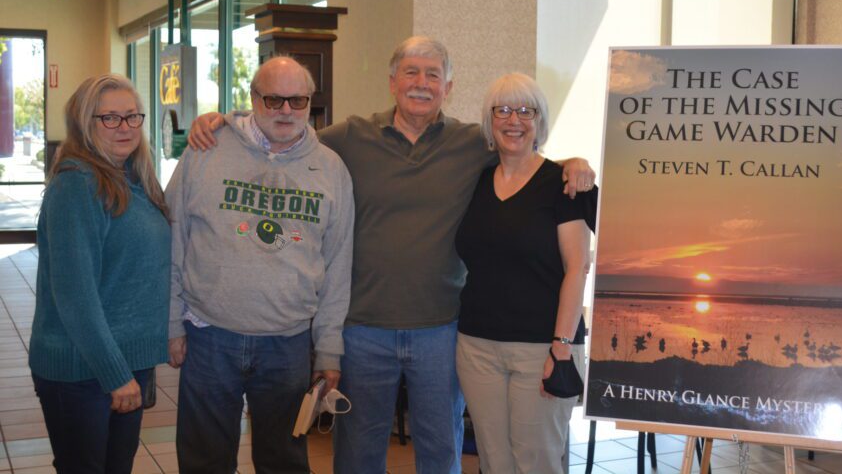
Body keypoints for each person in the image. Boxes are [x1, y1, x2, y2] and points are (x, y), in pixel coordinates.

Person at [187, 36, 595, 474]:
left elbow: (524, 153)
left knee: (441, 453)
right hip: (363, 329)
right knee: (358, 454)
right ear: (392, 81)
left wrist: (574, 162)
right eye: (411, 72)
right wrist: (226, 122)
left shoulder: (472, 143)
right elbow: (285, 132)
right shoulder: (350, 136)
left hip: (442, 328)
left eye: (433, 75)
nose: (421, 83)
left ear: (449, 86)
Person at [167, 56, 354, 474]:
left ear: (310, 103)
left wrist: (329, 349)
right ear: (253, 98)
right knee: (204, 461)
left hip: (287, 343)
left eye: (297, 100)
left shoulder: (331, 170)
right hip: (209, 335)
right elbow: (173, 239)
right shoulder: (205, 150)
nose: (286, 111)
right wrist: (172, 323)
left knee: (283, 462)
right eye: (273, 99)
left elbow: (339, 267)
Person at [455, 73, 596, 474]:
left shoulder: (564, 185)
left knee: (537, 462)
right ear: (489, 120)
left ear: (540, 121)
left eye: (525, 111)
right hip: (476, 345)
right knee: (494, 460)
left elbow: (577, 268)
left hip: (543, 348)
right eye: (502, 110)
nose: (513, 120)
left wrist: (561, 346)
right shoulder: (478, 181)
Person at [29, 75, 171, 474]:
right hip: (84, 371)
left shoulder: (134, 179)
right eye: (109, 118)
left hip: (121, 366)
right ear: (83, 124)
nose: (125, 127)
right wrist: (115, 375)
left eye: (132, 117)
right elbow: (75, 297)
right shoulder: (78, 186)